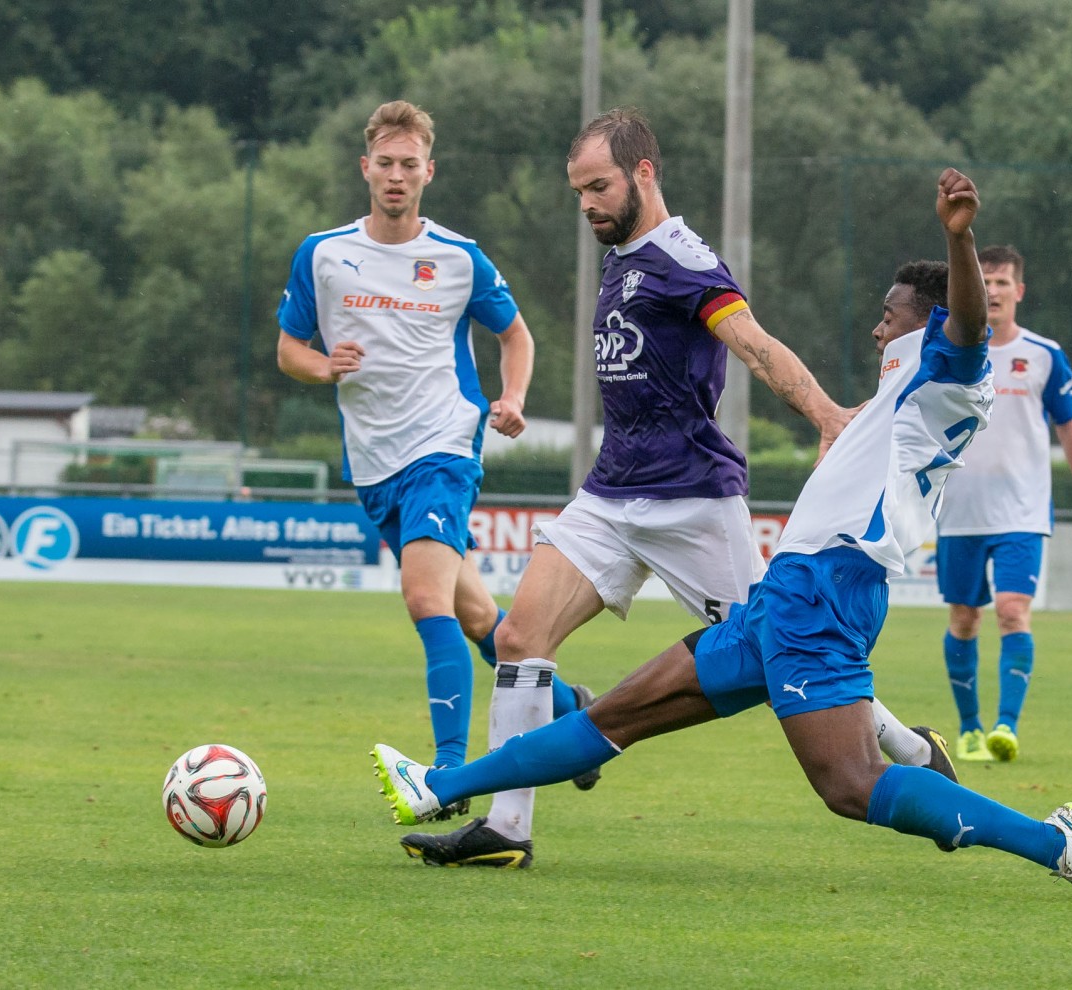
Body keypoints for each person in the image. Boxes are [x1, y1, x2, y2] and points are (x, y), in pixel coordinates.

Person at [374, 168, 1072, 903]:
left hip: (826, 592)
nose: (878, 323)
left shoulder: (948, 373)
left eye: (890, 312)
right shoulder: (903, 387)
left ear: (927, 321)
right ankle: (437, 786)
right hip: (787, 596)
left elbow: (967, 321)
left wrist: (960, 243)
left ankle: (1058, 843)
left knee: (850, 787)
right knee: (615, 717)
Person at [373, 107, 952, 866]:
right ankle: (505, 830)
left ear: (644, 173)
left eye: (599, 187)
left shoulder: (684, 260)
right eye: (579, 190)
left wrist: (824, 413)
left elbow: (751, 342)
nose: (587, 204)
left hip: (693, 499)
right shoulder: (621, 253)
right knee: (518, 635)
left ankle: (912, 751)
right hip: (612, 492)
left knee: (785, 655)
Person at [277, 100, 593, 798]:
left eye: (409, 164)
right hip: (373, 462)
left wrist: (511, 399)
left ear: (429, 171)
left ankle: (448, 775)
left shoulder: (459, 258)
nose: (396, 175)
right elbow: (289, 350)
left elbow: (516, 335)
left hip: (443, 445)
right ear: (366, 168)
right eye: (384, 163)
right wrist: (324, 366)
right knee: (479, 618)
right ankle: (578, 715)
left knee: (425, 599)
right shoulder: (324, 254)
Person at [934, 244, 1072, 764]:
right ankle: (969, 728)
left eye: (1004, 282)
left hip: (1021, 513)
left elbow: (1070, 429)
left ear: (1019, 292)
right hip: (958, 511)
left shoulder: (1044, 355)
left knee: (1011, 611)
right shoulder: (946, 351)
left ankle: (1006, 727)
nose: (995, 291)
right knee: (964, 618)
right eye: (985, 281)